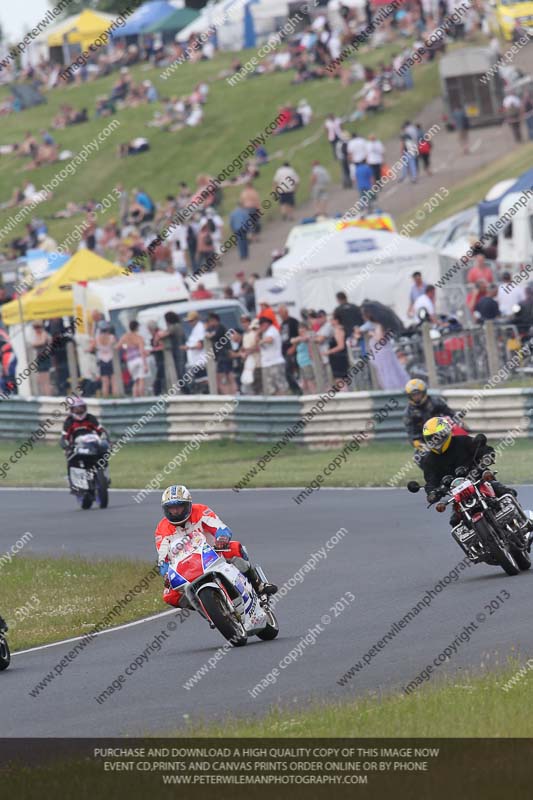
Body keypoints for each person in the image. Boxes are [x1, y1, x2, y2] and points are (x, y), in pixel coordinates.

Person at [155, 485, 277, 610]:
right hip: (187, 566)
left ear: (187, 505)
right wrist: (165, 574)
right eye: (171, 508)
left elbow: (220, 527)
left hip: (213, 553)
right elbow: (163, 557)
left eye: (179, 507)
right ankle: (206, 608)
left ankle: (259, 586)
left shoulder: (200, 511)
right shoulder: (162, 528)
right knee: (169, 595)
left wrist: (222, 538)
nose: (175, 512)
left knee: (234, 547)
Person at [420, 418, 516, 526]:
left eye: (438, 436)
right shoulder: (429, 460)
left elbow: (481, 448)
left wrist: (487, 456)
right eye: (431, 438)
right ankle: (472, 542)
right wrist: (432, 493)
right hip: (458, 494)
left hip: (479, 479)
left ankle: (520, 518)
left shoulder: (462, 441)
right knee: (455, 522)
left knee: (505, 492)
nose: (436, 441)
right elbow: (431, 481)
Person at [403, 379, 457, 450]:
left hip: (444, 435)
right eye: (413, 395)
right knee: (419, 458)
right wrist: (418, 443)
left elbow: (452, 415)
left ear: (424, 392)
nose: (417, 397)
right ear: (409, 396)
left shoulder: (436, 402)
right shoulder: (409, 413)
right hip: (426, 442)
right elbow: (411, 433)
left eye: (418, 394)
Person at [61, 398, 109, 463]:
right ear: (72, 410)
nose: (79, 411)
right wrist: (67, 447)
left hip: (92, 442)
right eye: (76, 409)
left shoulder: (90, 418)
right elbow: (64, 438)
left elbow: (101, 431)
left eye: (81, 408)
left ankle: (102, 469)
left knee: (104, 451)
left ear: (85, 408)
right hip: (77, 445)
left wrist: (105, 440)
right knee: (69, 455)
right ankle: (73, 470)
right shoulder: (69, 421)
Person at [205, 312, 238, 395]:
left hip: (223, 357)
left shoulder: (220, 328)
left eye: (210, 321)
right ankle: (233, 394)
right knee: (228, 377)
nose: (210, 323)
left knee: (222, 379)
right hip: (224, 357)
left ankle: (229, 396)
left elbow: (212, 336)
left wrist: (208, 334)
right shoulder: (218, 328)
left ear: (215, 320)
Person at [116, 320, 148, 398]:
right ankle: (142, 398)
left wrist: (125, 346)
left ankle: (135, 397)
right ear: (137, 327)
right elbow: (141, 351)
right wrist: (145, 364)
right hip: (139, 359)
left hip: (130, 361)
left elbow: (117, 346)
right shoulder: (139, 338)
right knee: (141, 380)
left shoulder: (125, 336)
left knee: (135, 381)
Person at [258, 315, 288, 396]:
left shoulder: (271, 330)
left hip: (275, 363)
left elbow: (270, 339)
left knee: (280, 386)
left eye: (261, 325)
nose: (260, 327)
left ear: (266, 324)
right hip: (267, 363)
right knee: (270, 388)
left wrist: (261, 341)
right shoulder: (264, 333)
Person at [279, 304, 301, 395]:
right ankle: (294, 389)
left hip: (292, 350)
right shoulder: (282, 324)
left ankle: (298, 389)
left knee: (292, 371)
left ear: (286, 312)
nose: (280, 315)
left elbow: (299, 335)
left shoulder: (293, 321)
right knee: (287, 372)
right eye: (279, 314)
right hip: (284, 351)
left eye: (281, 313)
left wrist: (294, 347)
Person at [94, 322, 117, 397]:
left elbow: (93, 347)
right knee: (114, 380)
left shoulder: (97, 338)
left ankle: (105, 397)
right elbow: (115, 346)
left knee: (105, 382)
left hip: (102, 360)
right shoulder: (111, 337)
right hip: (111, 359)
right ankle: (115, 396)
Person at [30, 322, 53, 396]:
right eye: (35, 328)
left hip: (45, 358)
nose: (36, 329)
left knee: (46, 380)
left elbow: (41, 342)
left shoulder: (44, 333)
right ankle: (44, 394)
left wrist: (34, 344)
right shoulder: (37, 335)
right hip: (40, 359)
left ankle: (48, 395)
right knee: (40, 380)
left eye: (38, 327)